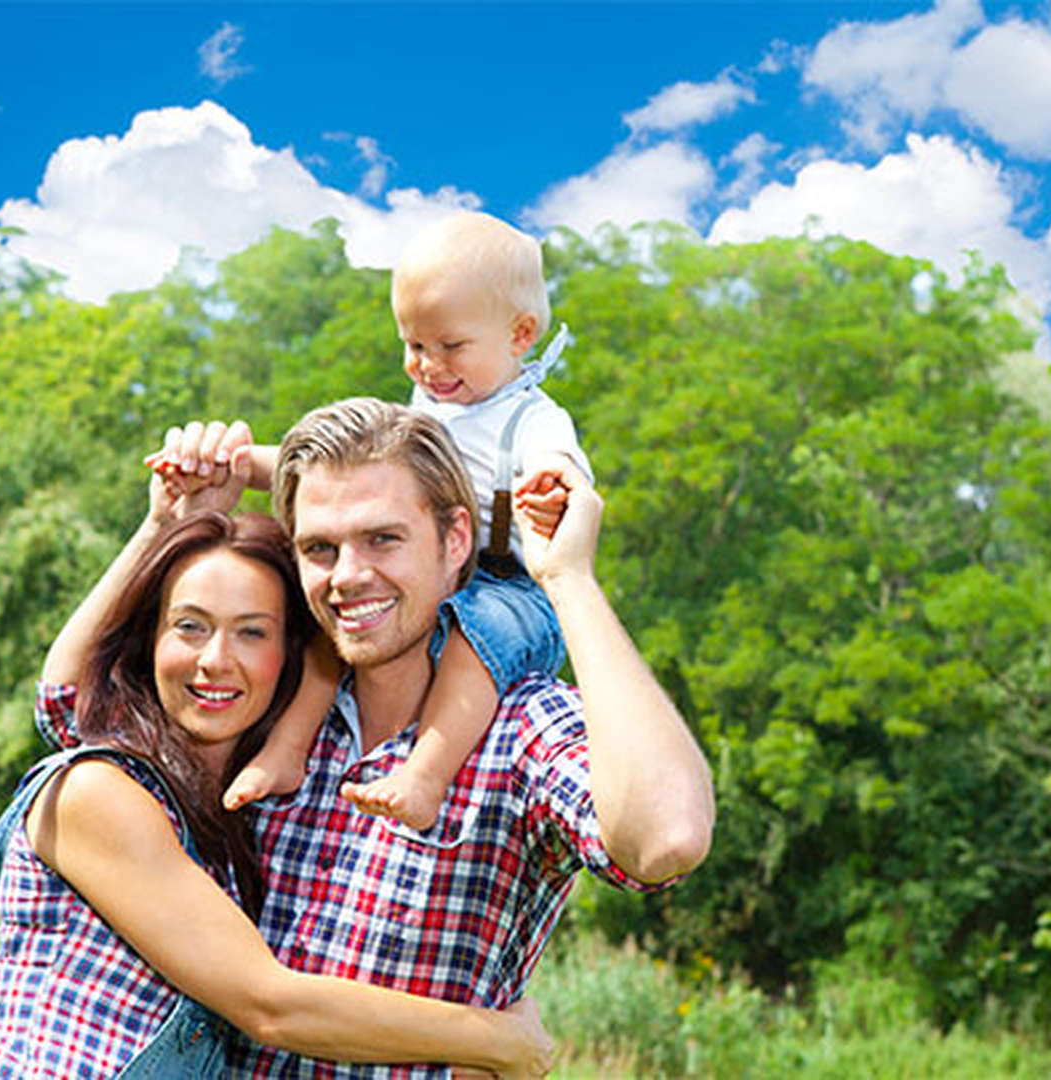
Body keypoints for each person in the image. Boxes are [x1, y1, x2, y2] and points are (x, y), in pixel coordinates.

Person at [98, 397, 714, 1077]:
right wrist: (169, 522)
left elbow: (665, 840)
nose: (349, 575)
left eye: (383, 539)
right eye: (319, 549)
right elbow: (70, 713)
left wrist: (569, 581)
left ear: (455, 542)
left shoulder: (519, 730)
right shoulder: (267, 712)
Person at [0, 458, 554, 1078]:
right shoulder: (96, 791)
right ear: (151, 640)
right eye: (190, 627)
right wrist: (497, 1039)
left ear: (291, 656)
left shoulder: (233, 812)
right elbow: (268, 1004)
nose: (215, 661)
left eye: (252, 633)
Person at [158, 212, 590, 833]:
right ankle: (286, 750)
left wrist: (549, 485)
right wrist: (236, 463)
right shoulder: (428, 408)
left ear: (519, 334)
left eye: (450, 346)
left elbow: (558, 463)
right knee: (331, 623)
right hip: (434, 570)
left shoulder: (530, 419)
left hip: (509, 583)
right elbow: (339, 478)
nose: (428, 366)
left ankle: (425, 776)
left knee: (477, 643)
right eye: (414, 346)